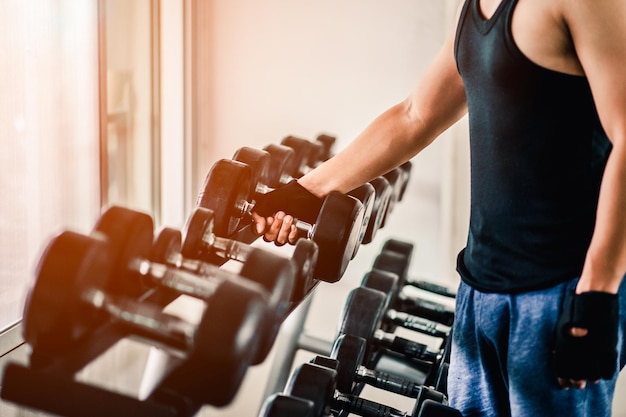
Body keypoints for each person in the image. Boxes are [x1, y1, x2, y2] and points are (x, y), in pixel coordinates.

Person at [251, 0, 626, 415]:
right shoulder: (476, 7)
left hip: (559, 293)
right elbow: (415, 116)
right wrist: (305, 192)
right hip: (480, 287)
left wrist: (598, 293)